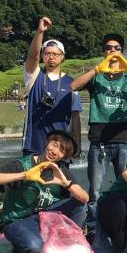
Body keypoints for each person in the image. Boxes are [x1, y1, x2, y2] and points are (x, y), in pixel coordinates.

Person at [71, 33, 127, 231]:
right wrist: (97, 69)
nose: (112, 51)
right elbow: (74, 86)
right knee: (95, 191)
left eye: (117, 48)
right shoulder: (96, 76)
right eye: (108, 47)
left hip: (123, 140)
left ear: (122, 51)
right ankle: (94, 229)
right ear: (103, 51)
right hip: (99, 142)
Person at [0, 130, 88, 253]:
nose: (55, 151)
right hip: (17, 220)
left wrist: (66, 184)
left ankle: (61, 245)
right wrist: (24, 175)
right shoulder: (22, 164)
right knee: (34, 247)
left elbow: (84, 198)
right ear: (47, 142)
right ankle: (23, 248)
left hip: (44, 219)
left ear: (63, 156)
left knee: (80, 205)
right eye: (55, 144)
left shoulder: (61, 171)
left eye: (61, 151)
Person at [22, 16, 83, 158]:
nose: (51, 57)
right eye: (47, 53)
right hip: (34, 145)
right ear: (43, 56)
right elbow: (32, 57)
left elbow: (75, 116)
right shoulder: (34, 75)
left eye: (55, 54)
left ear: (62, 57)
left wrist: (77, 145)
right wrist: (40, 32)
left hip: (61, 148)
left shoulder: (71, 83)